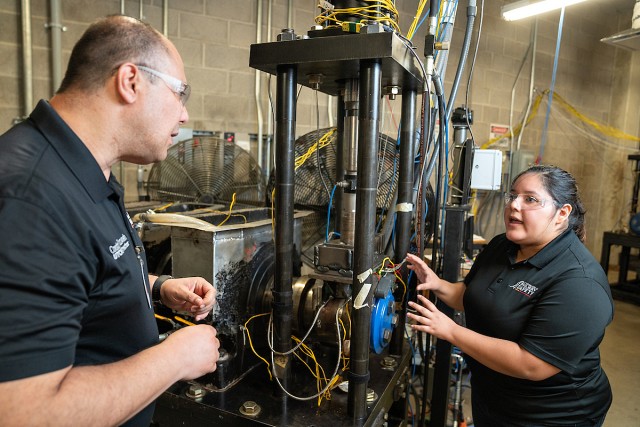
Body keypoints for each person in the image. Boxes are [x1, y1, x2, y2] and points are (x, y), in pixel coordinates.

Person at [0, 15, 220, 427]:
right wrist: (174, 358)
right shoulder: (32, 197)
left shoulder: (83, 167)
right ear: (130, 81)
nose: (185, 115)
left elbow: (80, 276)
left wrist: (155, 287)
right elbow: (23, 412)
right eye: (180, 93)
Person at [406, 165, 613, 426]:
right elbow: (471, 296)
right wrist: (437, 284)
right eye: (513, 195)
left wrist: (451, 331)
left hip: (551, 415)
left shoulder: (580, 282)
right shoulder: (502, 245)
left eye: (530, 199)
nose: (514, 205)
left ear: (562, 213)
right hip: (494, 401)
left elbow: (532, 364)